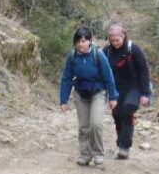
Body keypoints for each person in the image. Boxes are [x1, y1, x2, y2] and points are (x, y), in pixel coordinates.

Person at [59, 25, 119, 166]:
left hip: (98, 93)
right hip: (80, 94)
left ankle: (98, 153)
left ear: (90, 41)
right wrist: (63, 100)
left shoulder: (98, 55)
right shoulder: (72, 57)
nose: (81, 44)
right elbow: (66, 79)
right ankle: (85, 154)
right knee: (84, 126)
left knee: (96, 124)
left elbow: (108, 76)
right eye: (79, 41)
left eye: (84, 41)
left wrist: (113, 97)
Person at [103, 23, 151, 159]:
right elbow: (101, 71)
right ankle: (121, 142)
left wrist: (145, 93)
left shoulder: (133, 49)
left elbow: (144, 71)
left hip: (134, 87)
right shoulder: (106, 51)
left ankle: (124, 147)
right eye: (112, 41)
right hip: (116, 88)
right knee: (117, 115)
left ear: (123, 37)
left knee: (127, 110)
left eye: (117, 40)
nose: (115, 43)